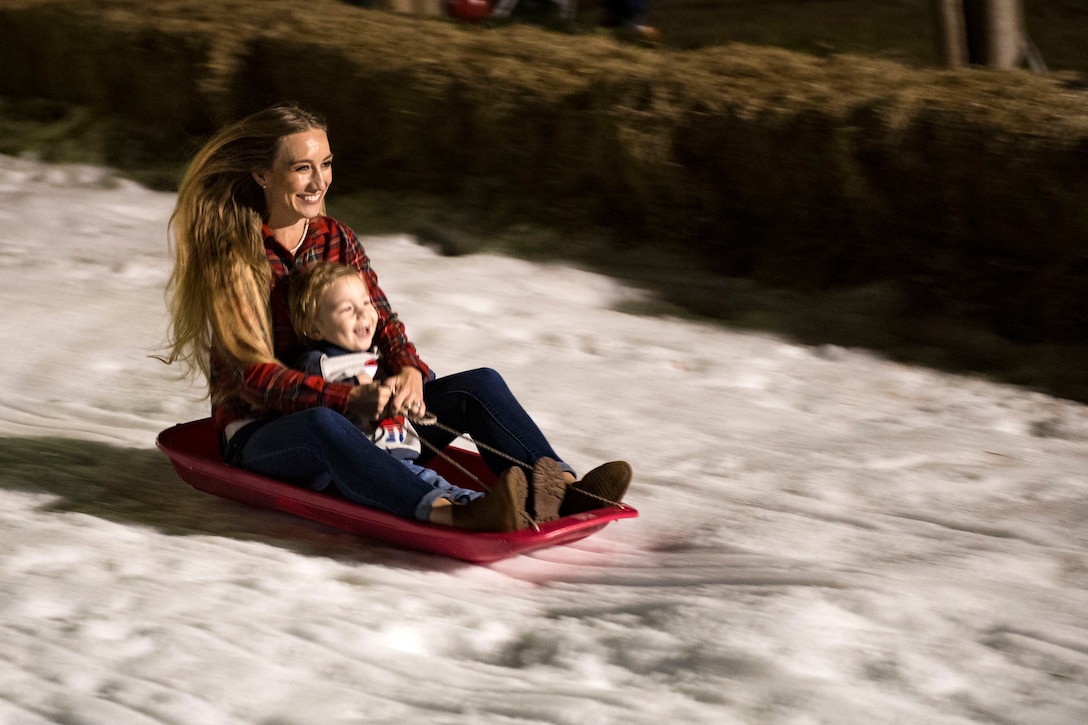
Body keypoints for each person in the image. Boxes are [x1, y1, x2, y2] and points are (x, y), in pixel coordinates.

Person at [163, 102, 631, 533]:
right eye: (302, 167)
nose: (319, 181)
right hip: (267, 434)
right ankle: (452, 513)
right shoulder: (235, 257)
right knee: (324, 423)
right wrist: (348, 400)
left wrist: (408, 370)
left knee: (479, 385)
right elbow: (254, 377)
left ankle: (562, 490)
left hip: (365, 416)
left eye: (326, 164)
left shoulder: (337, 238)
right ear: (263, 174)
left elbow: (382, 320)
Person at [287, 260, 483, 507]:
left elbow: (425, 383)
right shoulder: (319, 363)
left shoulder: (379, 359)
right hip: (358, 464)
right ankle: (474, 505)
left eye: (366, 303)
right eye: (347, 309)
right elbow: (312, 398)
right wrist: (355, 388)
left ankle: (485, 502)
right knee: (424, 479)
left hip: (397, 452)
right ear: (315, 328)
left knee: (425, 477)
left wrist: (411, 392)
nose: (363, 313)